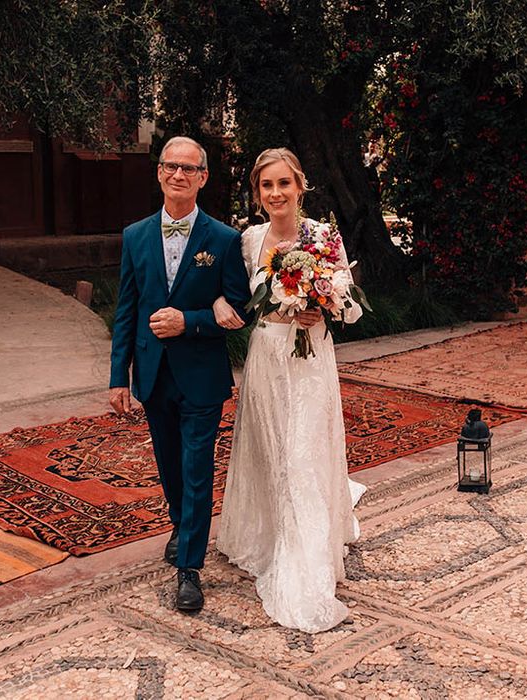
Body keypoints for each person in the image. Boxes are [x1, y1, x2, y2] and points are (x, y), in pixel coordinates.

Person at [213, 147, 366, 633]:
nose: (275, 193)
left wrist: (326, 307)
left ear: (300, 186)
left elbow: (350, 303)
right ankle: (270, 531)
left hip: (309, 360)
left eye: (284, 183)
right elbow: (231, 291)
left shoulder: (323, 237)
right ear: (257, 194)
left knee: (301, 453)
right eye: (266, 186)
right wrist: (217, 299)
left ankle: (305, 557)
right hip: (266, 357)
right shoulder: (249, 239)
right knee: (272, 452)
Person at [109, 136, 252, 612]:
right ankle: (181, 524)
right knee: (169, 464)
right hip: (152, 373)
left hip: (201, 374)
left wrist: (188, 321)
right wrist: (118, 377)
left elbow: (239, 310)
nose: (178, 175)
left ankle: (189, 567)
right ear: (159, 173)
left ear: (203, 178)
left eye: (189, 169)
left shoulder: (224, 240)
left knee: (196, 467)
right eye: (171, 166)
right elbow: (126, 311)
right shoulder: (134, 236)